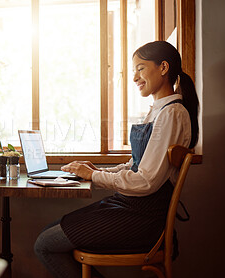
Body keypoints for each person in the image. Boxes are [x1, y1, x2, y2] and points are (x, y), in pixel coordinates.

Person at [34, 41, 199, 278]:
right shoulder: (159, 110)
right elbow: (137, 165)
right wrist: (99, 170)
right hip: (129, 206)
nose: (135, 77)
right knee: (49, 233)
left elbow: (146, 182)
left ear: (163, 67)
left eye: (140, 68)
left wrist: (93, 176)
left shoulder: (172, 113)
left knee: (45, 244)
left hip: (143, 216)